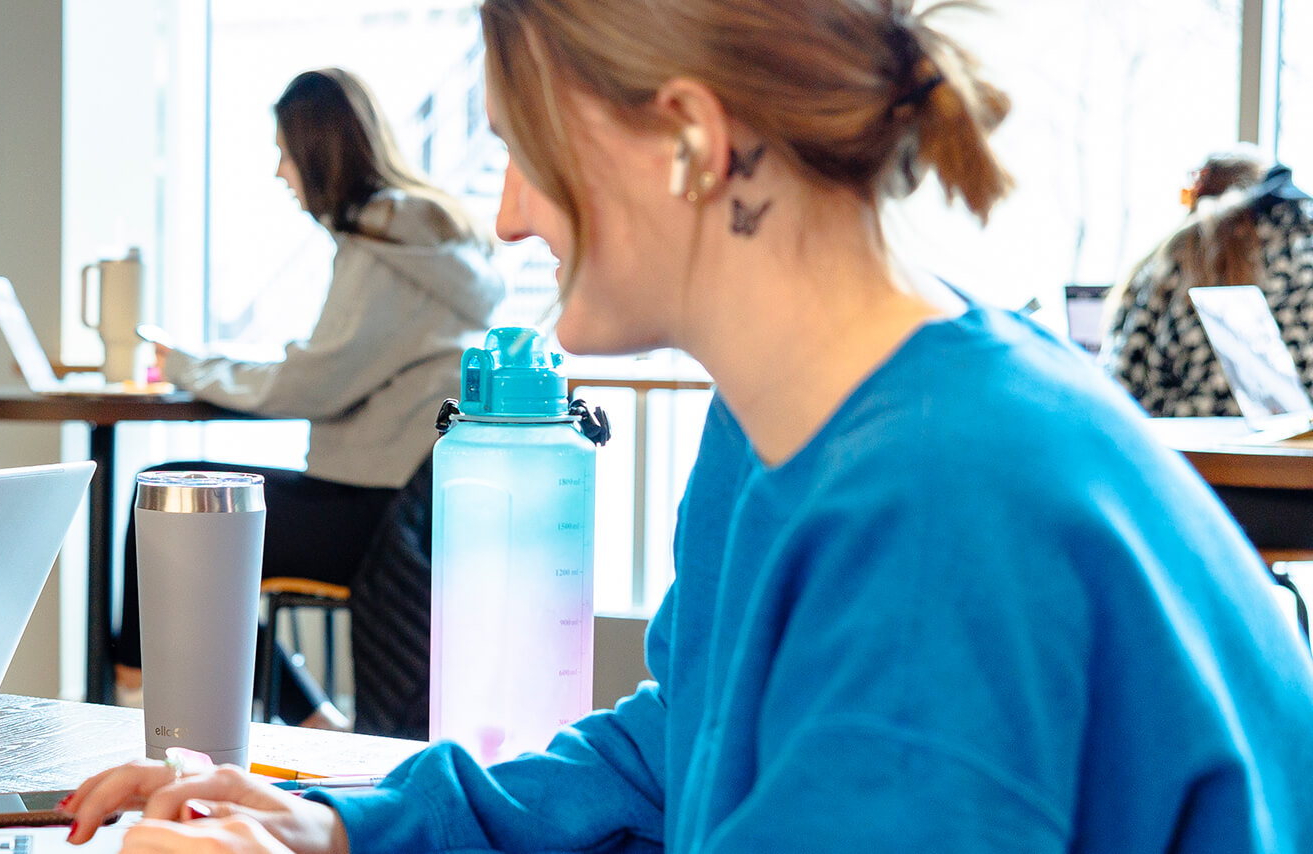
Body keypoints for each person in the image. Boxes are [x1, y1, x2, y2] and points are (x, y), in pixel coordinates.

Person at [64, 0, 1313, 850]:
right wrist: (342, 822)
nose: (503, 218)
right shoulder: (801, 423)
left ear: (686, 143)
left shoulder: (941, 509)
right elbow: (683, 747)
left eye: (521, 151)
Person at [114, 67, 504, 729]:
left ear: (319, 154)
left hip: (375, 519)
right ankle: (304, 715)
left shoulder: (383, 243)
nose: (279, 174)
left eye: (285, 155)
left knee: (172, 499)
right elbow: (337, 364)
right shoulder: (428, 241)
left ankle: (134, 688)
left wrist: (185, 365)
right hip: (410, 507)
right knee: (194, 517)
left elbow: (313, 382)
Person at [1104, 147, 1313, 417]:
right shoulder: (1302, 243)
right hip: (1294, 450)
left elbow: (1122, 378)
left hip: (1180, 447)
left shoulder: (1176, 253)